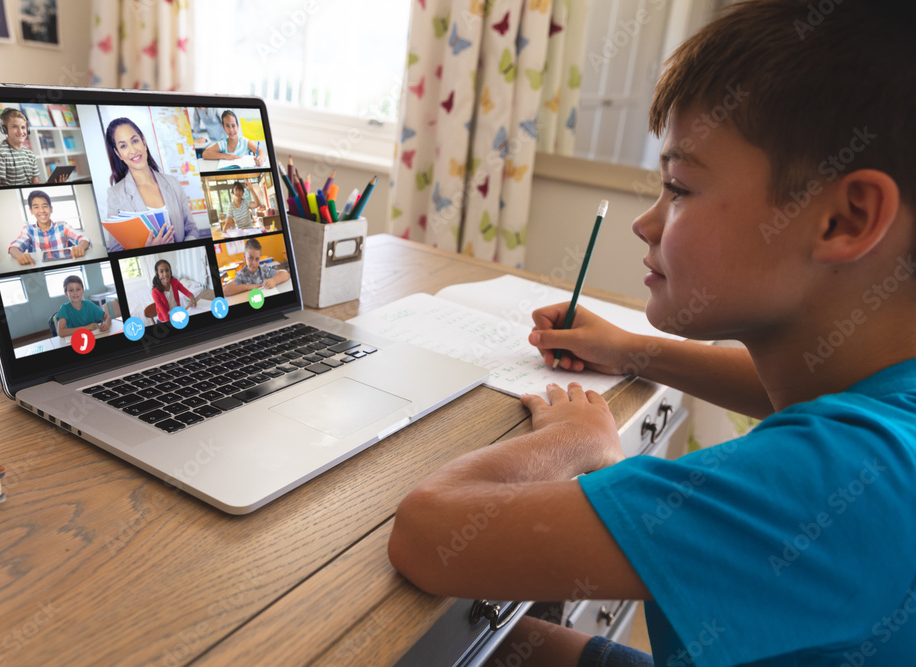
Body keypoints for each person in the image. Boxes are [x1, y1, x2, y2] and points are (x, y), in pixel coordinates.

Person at [388, 2, 916, 665]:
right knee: (487, 644)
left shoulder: (843, 478)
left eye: (679, 187)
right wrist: (626, 347)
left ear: (846, 218)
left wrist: (577, 444)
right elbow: (778, 387)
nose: (647, 223)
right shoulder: (886, 399)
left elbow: (428, 530)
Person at [104, 117, 202, 252]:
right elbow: (115, 250)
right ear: (118, 154)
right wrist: (147, 250)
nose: (133, 150)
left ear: (143, 142)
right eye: (123, 146)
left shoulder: (172, 183)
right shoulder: (116, 194)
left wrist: (185, 248)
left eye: (135, 141)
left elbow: (191, 228)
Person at [8, 190, 91, 266]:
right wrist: (20, 256)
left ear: (51, 209)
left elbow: (84, 239)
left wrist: (81, 247)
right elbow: (14, 247)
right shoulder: (28, 230)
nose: (41, 210)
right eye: (36, 207)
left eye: (45, 206)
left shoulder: (62, 226)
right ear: (31, 211)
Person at [0, 108, 42, 187]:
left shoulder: (30, 154)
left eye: (23, 127)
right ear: (4, 129)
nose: (20, 132)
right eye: (15, 127)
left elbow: (35, 182)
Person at [222, 238, 289, 296]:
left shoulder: (264, 270)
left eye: (257, 259)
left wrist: (274, 280)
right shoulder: (242, 275)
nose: (254, 263)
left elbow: (286, 274)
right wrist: (249, 287)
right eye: (250, 258)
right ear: (245, 257)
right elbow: (225, 291)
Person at [151, 259, 198, 323]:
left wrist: (192, 298)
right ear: (158, 274)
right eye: (161, 272)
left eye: (167, 270)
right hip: (165, 320)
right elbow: (165, 315)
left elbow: (187, 292)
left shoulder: (174, 281)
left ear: (170, 271)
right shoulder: (155, 292)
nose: (165, 274)